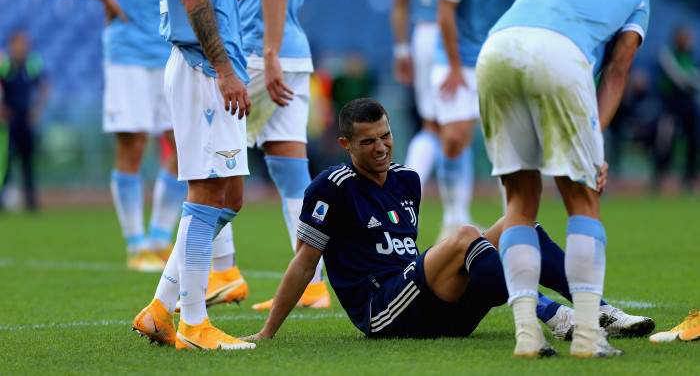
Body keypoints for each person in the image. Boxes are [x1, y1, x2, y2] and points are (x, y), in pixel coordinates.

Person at [241, 98, 653, 345]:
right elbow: (304, 263)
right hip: (382, 309)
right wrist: (267, 333)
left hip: (431, 303)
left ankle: (600, 311)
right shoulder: (331, 186)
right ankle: (549, 313)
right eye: (368, 142)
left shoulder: (407, 180)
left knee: (518, 226)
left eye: (385, 135)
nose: (381, 147)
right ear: (346, 144)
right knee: (465, 236)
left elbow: (412, 254)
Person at [476, 0, 649, 358]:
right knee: (582, 199)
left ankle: (527, 336)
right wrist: (595, 145)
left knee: (520, 201)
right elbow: (617, 71)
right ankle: (588, 337)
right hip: (556, 54)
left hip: (495, 51)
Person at [130, 0, 296, 350]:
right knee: (205, 194)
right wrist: (222, 69)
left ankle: (160, 308)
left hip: (212, 66)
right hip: (204, 68)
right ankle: (193, 324)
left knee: (230, 198)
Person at [38, 0, 187, 271]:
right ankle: (136, 246)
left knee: (185, 148)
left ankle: (160, 240)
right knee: (132, 147)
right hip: (128, 54)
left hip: (170, 51)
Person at [224, 0, 331, 311]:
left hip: (257, 51)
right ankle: (312, 285)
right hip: (294, 54)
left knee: (211, 160)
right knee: (291, 171)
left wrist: (269, 52)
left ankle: (220, 271)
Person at [431, 0, 545, 240]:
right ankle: (453, 217)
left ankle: (512, 220)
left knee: (509, 144)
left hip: (500, 58)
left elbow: (530, 15)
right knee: (455, 138)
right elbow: (445, 10)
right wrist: (456, 66)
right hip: (455, 60)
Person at [391, 0, 441, 194]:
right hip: (458, 34)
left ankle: (402, 195)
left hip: (423, 35)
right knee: (458, 125)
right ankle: (456, 212)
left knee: (430, 126)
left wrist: (401, 49)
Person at [0, 30, 49, 212]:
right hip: (8, 122)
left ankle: (31, 201)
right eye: (17, 43)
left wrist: (36, 111)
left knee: (28, 162)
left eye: (23, 43)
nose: (20, 47)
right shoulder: (4, 65)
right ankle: (3, 199)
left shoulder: (32, 64)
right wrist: (2, 110)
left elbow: (44, 87)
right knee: (5, 163)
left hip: (26, 120)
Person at [652, 25, 700, 192]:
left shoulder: (690, 57)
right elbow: (680, 78)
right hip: (670, 104)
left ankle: (689, 178)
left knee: (692, 141)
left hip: (687, 104)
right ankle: (658, 177)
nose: (689, 41)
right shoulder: (666, 54)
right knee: (665, 140)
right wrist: (694, 81)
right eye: (685, 38)